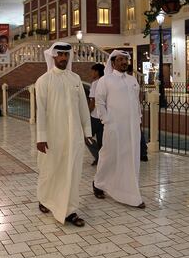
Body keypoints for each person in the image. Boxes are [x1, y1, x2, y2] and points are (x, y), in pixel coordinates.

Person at [36, 42, 92, 227]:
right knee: (51, 170)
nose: (63, 58)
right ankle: (45, 199)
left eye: (66, 55)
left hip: (74, 135)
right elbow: (41, 112)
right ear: (53, 56)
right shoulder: (43, 81)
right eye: (59, 54)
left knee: (73, 172)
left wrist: (87, 131)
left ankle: (70, 210)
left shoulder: (75, 79)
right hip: (53, 136)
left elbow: (83, 107)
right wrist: (41, 137)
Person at [93, 50, 145, 209]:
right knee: (109, 156)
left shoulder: (132, 80)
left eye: (126, 59)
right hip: (114, 127)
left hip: (132, 128)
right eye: (121, 59)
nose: (124, 62)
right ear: (113, 62)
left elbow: (136, 102)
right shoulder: (105, 80)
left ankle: (130, 193)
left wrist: (139, 119)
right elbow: (99, 102)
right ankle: (98, 183)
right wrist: (107, 121)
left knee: (131, 158)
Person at [87, 63, 104, 166]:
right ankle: (101, 158)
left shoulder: (95, 84)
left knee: (86, 136)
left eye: (92, 71)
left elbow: (92, 101)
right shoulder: (107, 82)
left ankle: (98, 156)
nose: (91, 73)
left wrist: (87, 113)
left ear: (97, 72)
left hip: (95, 117)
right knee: (102, 141)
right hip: (104, 117)